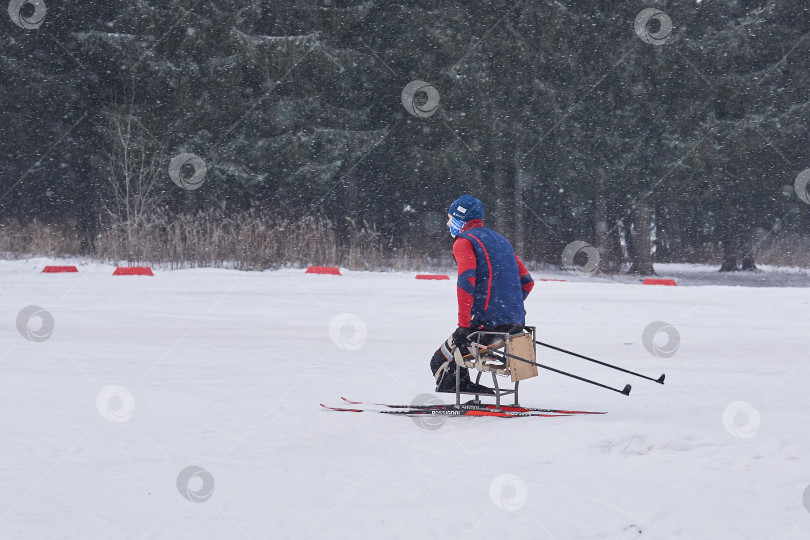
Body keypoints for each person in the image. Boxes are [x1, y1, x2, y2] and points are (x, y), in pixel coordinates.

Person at [430, 195, 534, 394]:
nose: (447, 223)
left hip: (486, 327)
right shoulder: (502, 241)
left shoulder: (464, 241)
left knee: (438, 362)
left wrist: (463, 325)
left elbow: (466, 283)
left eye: (450, 218)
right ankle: (465, 385)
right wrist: (508, 309)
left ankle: (459, 387)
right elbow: (527, 282)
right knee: (458, 353)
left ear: (460, 219)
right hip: (514, 326)